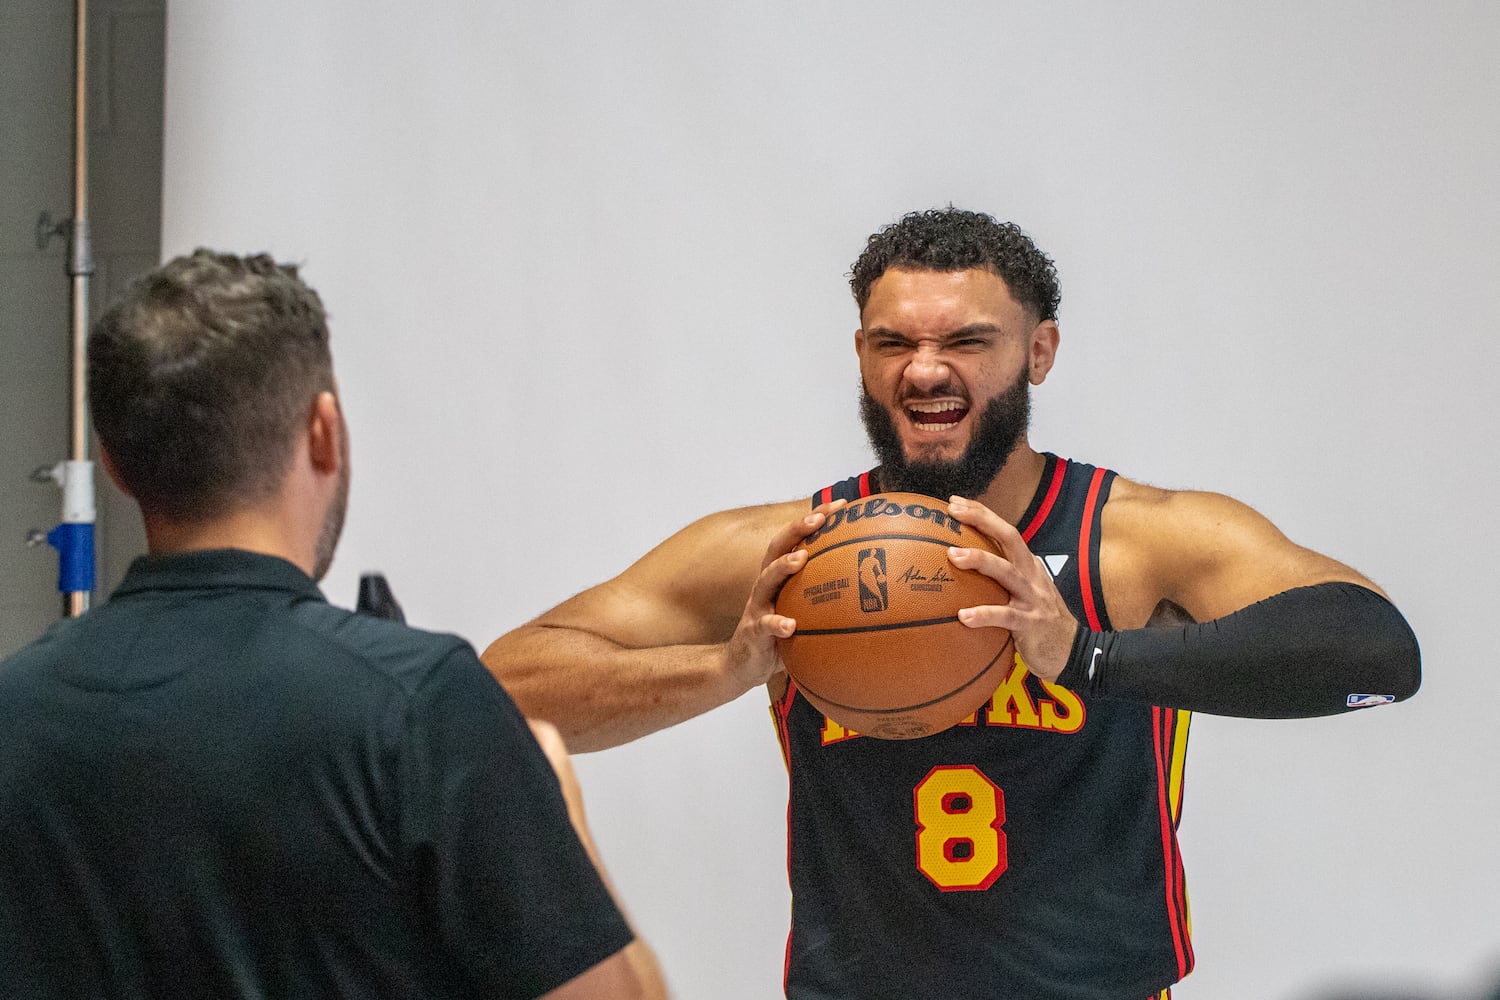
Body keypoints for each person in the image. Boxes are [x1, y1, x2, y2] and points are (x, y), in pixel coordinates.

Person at [480, 208, 1421, 999]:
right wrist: (726, 667)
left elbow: (1376, 651)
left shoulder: (1130, 541)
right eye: (895, 342)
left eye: (968, 341)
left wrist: (1085, 654)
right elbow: (502, 691)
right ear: (861, 353)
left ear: (1039, 352)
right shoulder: (792, 554)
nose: (926, 370)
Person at [0, 250, 667, 1000]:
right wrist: (560, 815)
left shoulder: (14, 712)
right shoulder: (419, 705)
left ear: (113, 462)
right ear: (326, 432)